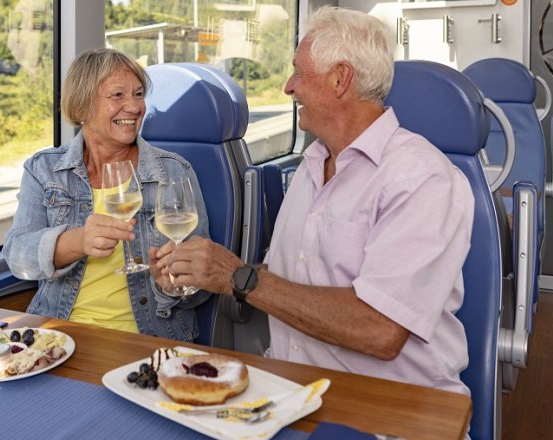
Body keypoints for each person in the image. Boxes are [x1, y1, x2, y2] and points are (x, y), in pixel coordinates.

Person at [156, 6, 474, 395]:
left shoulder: (422, 178)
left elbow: (380, 329)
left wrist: (238, 276)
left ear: (340, 79)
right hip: (293, 393)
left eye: (298, 73)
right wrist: (206, 272)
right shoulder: (312, 165)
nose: (289, 87)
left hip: (387, 410)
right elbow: (286, 282)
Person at [3, 48, 211, 342]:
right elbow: (17, 257)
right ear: (83, 106)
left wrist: (170, 285)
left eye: (138, 94)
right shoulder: (43, 169)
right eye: (118, 95)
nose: (134, 107)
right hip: (57, 334)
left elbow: (201, 287)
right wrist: (76, 241)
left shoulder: (174, 172)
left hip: (148, 338)